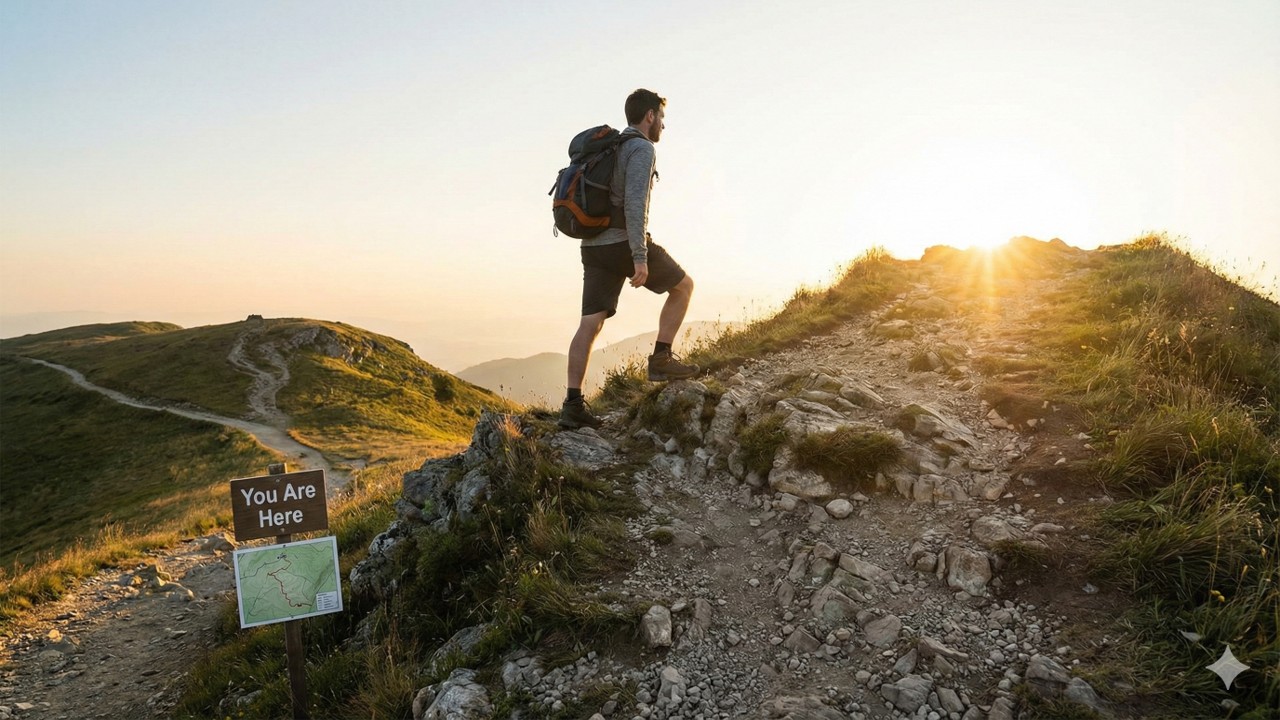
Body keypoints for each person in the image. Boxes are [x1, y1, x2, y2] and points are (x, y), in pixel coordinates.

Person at [559, 88, 698, 430]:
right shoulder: (641, 148)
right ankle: (662, 359)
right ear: (649, 116)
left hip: (592, 246)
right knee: (683, 287)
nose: (663, 125)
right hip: (623, 242)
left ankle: (572, 406)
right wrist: (640, 258)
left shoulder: (611, 147)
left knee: (589, 323)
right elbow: (637, 206)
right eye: (661, 118)